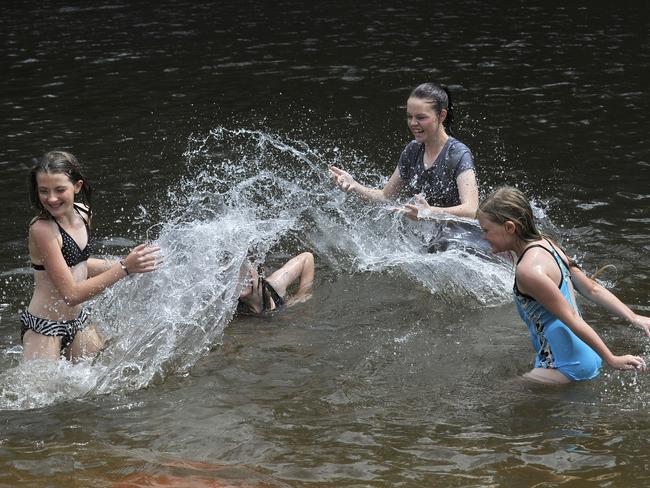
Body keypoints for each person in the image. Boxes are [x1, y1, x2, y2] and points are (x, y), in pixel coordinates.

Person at [477, 186, 649, 384]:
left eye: (486, 230)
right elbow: (592, 289)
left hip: (566, 367)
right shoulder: (548, 245)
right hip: (585, 356)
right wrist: (634, 318)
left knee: (497, 392)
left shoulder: (528, 271)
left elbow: (572, 318)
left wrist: (612, 359)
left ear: (509, 227)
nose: (484, 237)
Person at [22, 150, 161, 362]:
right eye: (43, 191)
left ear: (77, 186)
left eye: (60, 190)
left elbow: (80, 266)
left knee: (107, 369)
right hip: (44, 328)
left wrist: (137, 264)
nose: (51, 198)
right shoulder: (42, 229)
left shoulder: (83, 212)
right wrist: (123, 268)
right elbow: (71, 294)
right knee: (38, 394)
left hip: (78, 322)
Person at [330, 82, 478, 220]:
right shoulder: (412, 150)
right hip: (429, 238)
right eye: (409, 117)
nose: (413, 123)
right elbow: (386, 196)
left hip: (459, 241)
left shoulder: (458, 154)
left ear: (441, 115)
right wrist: (355, 186)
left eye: (421, 117)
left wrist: (429, 212)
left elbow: (471, 210)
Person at [237, 252, 314, 315]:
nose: (241, 277)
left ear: (260, 272)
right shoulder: (229, 307)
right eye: (235, 273)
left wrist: (301, 294)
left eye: (245, 269)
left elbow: (307, 257)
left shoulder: (276, 284)